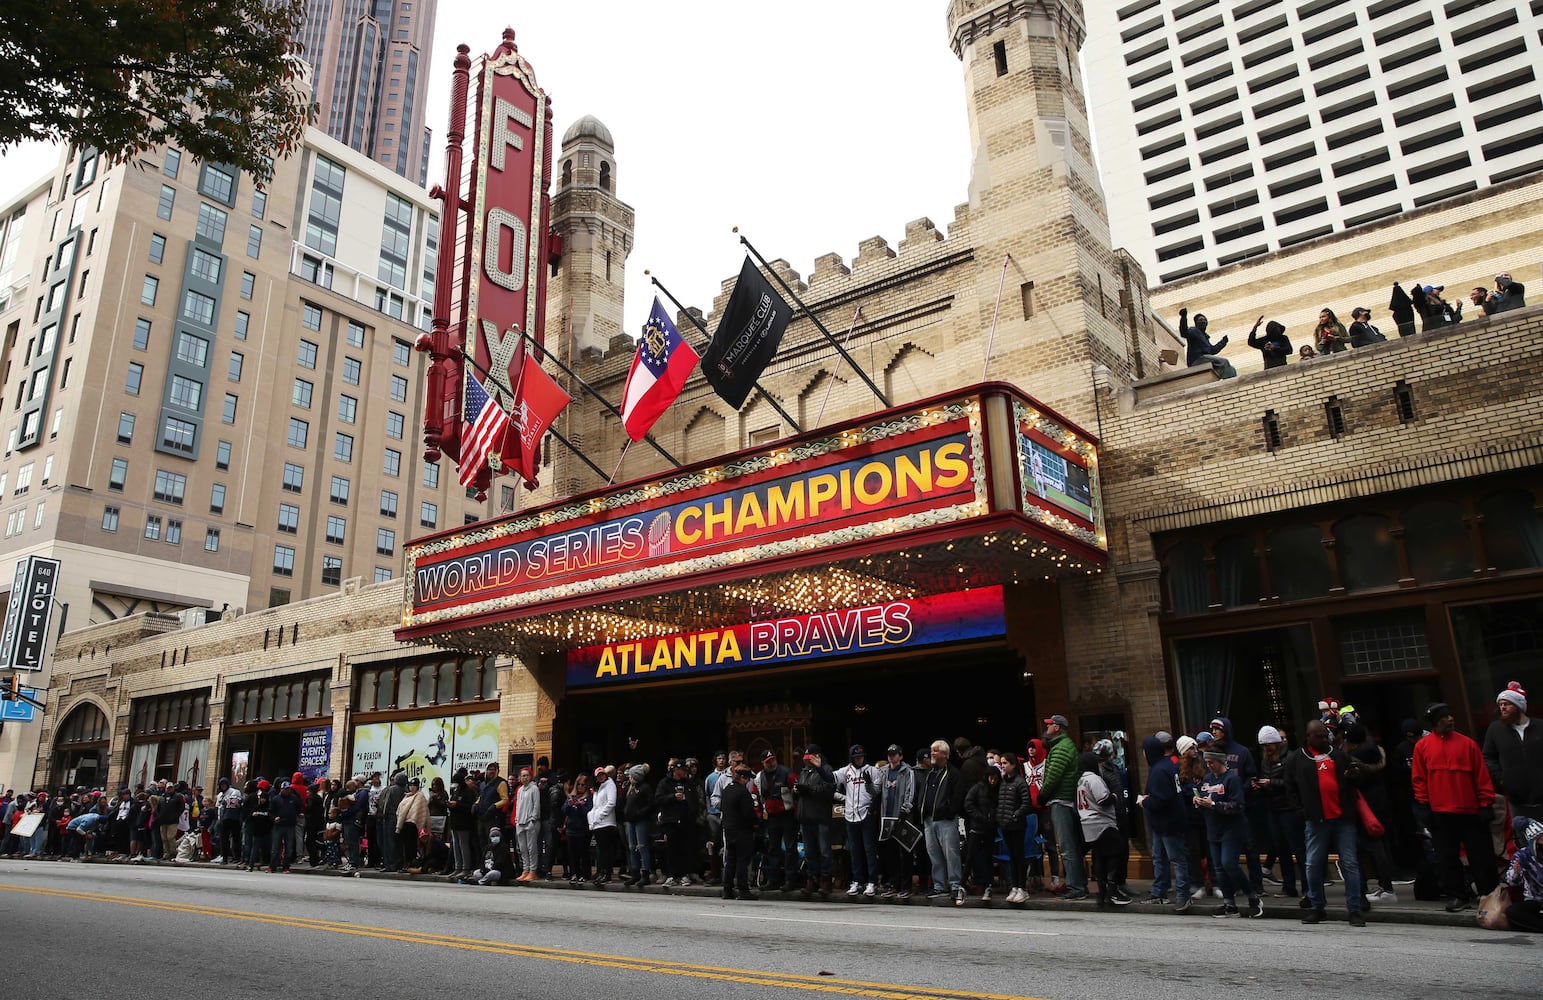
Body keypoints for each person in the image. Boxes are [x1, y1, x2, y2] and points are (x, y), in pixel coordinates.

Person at [1413, 701, 1499, 912]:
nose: (1450, 719)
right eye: (1444, 717)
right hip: (1441, 812)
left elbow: (1481, 776)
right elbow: (1419, 779)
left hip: (1470, 811)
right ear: (1435, 722)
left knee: (1481, 857)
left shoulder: (1468, 744)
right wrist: (1424, 805)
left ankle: (1488, 894)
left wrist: (1485, 803)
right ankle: (1457, 895)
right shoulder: (1422, 747)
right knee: (1446, 857)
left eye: (1450, 715)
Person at [1284, 719, 1366, 926]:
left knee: (1350, 863)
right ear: (1308, 736)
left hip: (1342, 818)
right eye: (1318, 736)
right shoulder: (1297, 759)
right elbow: (1290, 787)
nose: (1323, 739)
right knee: (1312, 864)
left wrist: (1353, 776)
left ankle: (1354, 909)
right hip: (1316, 819)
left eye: (1325, 735)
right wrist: (1301, 811)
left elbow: (1356, 781)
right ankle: (1317, 906)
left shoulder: (1338, 756)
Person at [1196, 749, 1263, 918]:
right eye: (1207, 762)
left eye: (1212, 762)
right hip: (1213, 829)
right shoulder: (1207, 779)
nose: (1209, 765)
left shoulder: (1232, 779)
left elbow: (1238, 805)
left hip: (1232, 828)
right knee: (1219, 868)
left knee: (1229, 863)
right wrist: (1198, 801)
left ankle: (1252, 896)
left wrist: (1214, 805)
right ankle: (1229, 904)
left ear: (1221, 761)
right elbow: (1204, 798)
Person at [1343, 722, 1399, 903]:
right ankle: (1386, 885)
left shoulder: (1354, 759)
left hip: (1366, 805)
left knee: (1373, 846)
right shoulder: (1377, 752)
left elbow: (1355, 781)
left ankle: (1386, 889)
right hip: (1382, 801)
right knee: (1382, 842)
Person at [1483, 682, 1543, 838]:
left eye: (1507, 704)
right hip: (1518, 801)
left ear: (1519, 706)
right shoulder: (1495, 729)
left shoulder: (1540, 727)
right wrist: (1502, 779)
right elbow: (1488, 757)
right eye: (1500, 704)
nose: (1502, 708)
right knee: (1526, 844)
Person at [1141, 731, 1192, 911]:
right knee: (1160, 857)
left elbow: (1161, 799)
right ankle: (1159, 892)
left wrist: (1144, 801)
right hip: (1164, 822)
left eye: (1144, 751)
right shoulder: (1165, 766)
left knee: (1176, 859)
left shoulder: (1159, 770)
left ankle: (1183, 895)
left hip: (1168, 821)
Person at [1040, 715, 1086, 900]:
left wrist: (1042, 795)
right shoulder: (1064, 746)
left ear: (1057, 727)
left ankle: (1076, 888)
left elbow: (1052, 777)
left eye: (1049, 725)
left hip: (1061, 800)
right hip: (1067, 799)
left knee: (1067, 846)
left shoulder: (1060, 748)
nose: (1047, 728)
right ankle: (1079, 883)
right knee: (1072, 845)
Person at [1255, 726, 1303, 900]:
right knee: (1281, 849)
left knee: (1298, 848)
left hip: (1288, 809)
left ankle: (1307, 886)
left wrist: (1272, 782)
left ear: (1276, 743)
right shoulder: (1265, 760)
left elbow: (1294, 783)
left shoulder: (1290, 758)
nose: (1267, 749)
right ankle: (1289, 887)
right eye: (1264, 746)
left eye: (1269, 745)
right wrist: (1260, 785)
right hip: (1273, 808)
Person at [918, 738, 968, 905]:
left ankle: (954, 884)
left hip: (945, 819)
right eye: (932, 750)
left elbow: (958, 796)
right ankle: (939, 885)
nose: (932, 753)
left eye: (936, 750)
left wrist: (949, 811)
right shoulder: (929, 773)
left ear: (945, 754)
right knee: (934, 853)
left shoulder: (954, 773)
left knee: (951, 853)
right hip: (929, 819)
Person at [1077, 752, 1130, 907]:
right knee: (1118, 851)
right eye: (1098, 763)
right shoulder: (1093, 779)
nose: (1100, 765)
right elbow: (1103, 800)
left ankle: (1102, 892)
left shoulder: (1081, 781)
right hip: (1101, 822)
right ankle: (1112, 890)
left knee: (1100, 856)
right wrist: (1114, 796)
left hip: (1087, 823)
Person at [833, 744, 881, 897]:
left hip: (866, 815)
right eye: (856, 757)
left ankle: (872, 881)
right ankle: (857, 881)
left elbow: (877, 793)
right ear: (851, 758)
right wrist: (819, 767)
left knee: (869, 849)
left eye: (861, 757)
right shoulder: (846, 771)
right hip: (850, 815)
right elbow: (830, 777)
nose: (859, 759)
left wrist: (868, 784)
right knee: (854, 850)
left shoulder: (873, 771)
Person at [792, 744, 836, 896]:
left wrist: (808, 789)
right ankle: (812, 877)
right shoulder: (804, 771)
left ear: (817, 756)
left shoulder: (826, 770)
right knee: (809, 851)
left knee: (824, 850)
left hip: (821, 815)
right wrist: (797, 790)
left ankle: (826, 879)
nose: (806, 762)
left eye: (809, 759)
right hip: (806, 816)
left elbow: (829, 789)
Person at [876, 744, 915, 899]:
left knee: (905, 853)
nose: (891, 757)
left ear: (900, 756)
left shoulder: (907, 772)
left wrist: (904, 811)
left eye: (894, 754)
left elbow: (909, 793)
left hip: (902, 817)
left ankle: (906, 886)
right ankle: (894, 884)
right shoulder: (884, 772)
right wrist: (869, 783)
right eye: (889, 754)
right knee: (890, 853)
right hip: (887, 818)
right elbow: (876, 791)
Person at [753, 750, 793, 893]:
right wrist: (758, 813)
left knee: (790, 848)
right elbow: (754, 795)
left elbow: (796, 790)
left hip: (788, 815)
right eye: (768, 761)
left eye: (773, 760)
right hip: (771, 817)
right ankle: (773, 880)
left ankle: (790, 880)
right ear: (763, 763)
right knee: (772, 848)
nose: (771, 763)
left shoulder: (786, 772)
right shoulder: (759, 777)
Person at [655, 759, 699, 887]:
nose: (685, 772)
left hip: (685, 821)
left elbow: (695, 801)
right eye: (683, 770)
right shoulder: (664, 783)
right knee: (671, 849)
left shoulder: (689, 784)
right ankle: (671, 875)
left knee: (684, 848)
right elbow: (658, 799)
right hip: (670, 821)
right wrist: (673, 797)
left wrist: (688, 805)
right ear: (676, 770)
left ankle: (684, 875)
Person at [996, 754, 1032, 903]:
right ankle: (1014, 886)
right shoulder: (1003, 782)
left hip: (1017, 825)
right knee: (1011, 857)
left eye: (1005, 763)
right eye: (1002, 763)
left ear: (1013, 765)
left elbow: (1026, 803)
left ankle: (1022, 887)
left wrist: (1015, 815)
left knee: (1019, 856)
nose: (1003, 766)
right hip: (1005, 825)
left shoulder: (1020, 782)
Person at [719, 764, 758, 900]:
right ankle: (743, 890)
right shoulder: (743, 792)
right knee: (742, 860)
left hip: (729, 829)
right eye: (747, 779)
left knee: (731, 860)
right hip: (742, 830)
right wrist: (757, 822)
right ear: (742, 777)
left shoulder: (726, 790)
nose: (748, 782)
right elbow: (748, 813)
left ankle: (727, 890)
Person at [963, 766, 1000, 901]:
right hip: (977, 826)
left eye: (996, 779)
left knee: (988, 857)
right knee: (970, 856)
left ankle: (987, 884)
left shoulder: (997, 790)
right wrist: (979, 817)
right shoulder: (978, 788)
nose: (993, 781)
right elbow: (968, 804)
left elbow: (999, 806)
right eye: (991, 778)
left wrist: (994, 819)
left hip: (990, 828)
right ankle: (963, 883)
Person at [1503, 816, 1543, 932]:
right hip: (1535, 900)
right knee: (1513, 912)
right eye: (1541, 838)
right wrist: (1516, 872)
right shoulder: (1523, 855)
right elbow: (1512, 882)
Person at [621, 764, 655, 886]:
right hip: (630, 821)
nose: (629, 777)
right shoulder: (630, 788)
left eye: (631, 775)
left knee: (642, 846)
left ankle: (645, 873)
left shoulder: (645, 788)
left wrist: (639, 813)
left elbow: (651, 804)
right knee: (632, 847)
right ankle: (635, 873)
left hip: (641, 820)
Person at [589, 766, 620, 885]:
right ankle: (602, 872)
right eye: (598, 775)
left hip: (606, 823)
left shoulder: (609, 784)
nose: (601, 777)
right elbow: (595, 806)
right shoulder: (598, 788)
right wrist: (592, 817)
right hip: (598, 823)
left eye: (602, 774)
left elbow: (611, 802)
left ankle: (607, 873)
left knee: (605, 850)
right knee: (601, 850)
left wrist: (600, 815)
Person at [561, 774, 592, 882]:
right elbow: (564, 810)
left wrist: (579, 805)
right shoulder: (572, 795)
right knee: (572, 854)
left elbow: (588, 812)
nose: (580, 787)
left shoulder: (589, 797)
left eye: (582, 785)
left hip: (583, 829)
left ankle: (585, 874)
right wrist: (569, 805)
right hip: (571, 829)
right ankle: (574, 873)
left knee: (583, 853)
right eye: (578, 784)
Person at [513, 767, 541, 882]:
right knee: (522, 848)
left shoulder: (534, 789)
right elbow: (518, 805)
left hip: (530, 822)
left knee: (531, 848)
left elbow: (536, 805)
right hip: (520, 822)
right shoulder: (520, 790)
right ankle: (525, 870)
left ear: (530, 777)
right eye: (522, 775)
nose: (524, 778)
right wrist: (517, 819)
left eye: (526, 775)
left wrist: (533, 818)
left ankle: (533, 871)